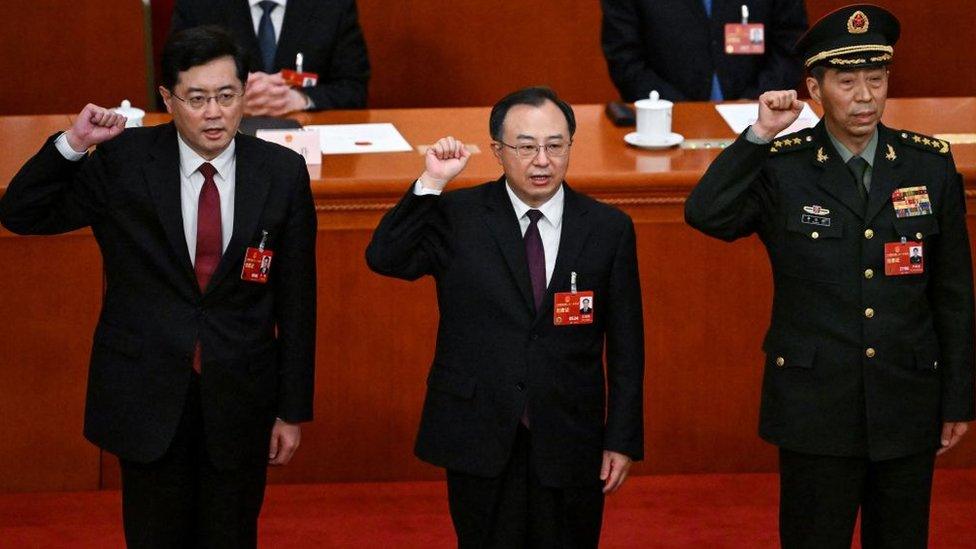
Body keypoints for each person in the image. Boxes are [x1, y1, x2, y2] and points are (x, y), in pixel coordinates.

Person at [0, 26, 317, 547]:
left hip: (241, 395)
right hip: (146, 393)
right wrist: (73, 145)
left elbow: (299, 299)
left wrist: (291, 409)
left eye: (226, 95)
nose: (214, 113)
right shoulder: (124, 161)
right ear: (168, 99)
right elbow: (21, 213)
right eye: (196, 98)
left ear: (244, 93)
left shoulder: (281, 172)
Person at [684, 5, 973, 548]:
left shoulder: (928, 165)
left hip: (906, 397)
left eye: (876, 78)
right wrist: (759, 134)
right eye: (847, 81)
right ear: (814, 90)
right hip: (815, 406)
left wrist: (957, 396)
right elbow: (706, 214)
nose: (865, 96)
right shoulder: (782, 164)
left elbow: (953, 293)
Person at [366, 86, 645, 548]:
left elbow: (627, 344)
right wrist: (431, 182)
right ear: (497, 151)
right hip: (479, 430)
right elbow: (385, 257)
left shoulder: (607, 227)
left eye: (555, 145)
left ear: (570, 146)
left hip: (570, 434)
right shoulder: (457, 214)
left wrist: (622, 437)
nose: (542, 160)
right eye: (526, 147)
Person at [171, 0, 370, 115]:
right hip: (221, 141)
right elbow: (174, 82)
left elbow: (354, 88)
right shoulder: (197, 4)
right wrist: (227, 99)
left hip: (306, 137)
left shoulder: (334, 5)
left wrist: (299, 99)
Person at [600, 0, 807, 102]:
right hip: (664, 123)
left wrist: (757, 100)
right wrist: (677, 109)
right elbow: (623, 57)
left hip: (761, 118)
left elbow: (791, 45)